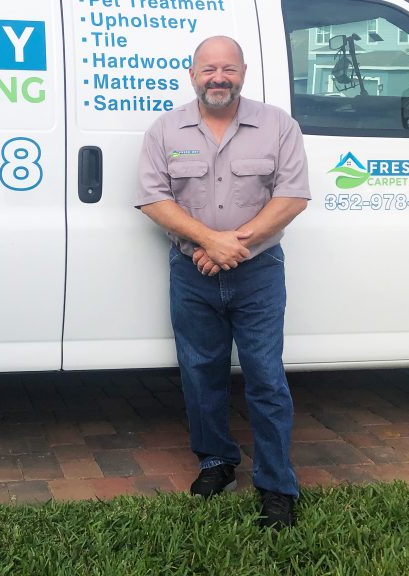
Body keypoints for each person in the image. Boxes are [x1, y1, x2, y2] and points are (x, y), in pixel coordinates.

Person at [134, 35, 310, 530]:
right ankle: (216, 462)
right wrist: (209, 242)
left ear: (243, 73)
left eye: (228, 69)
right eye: (208, 69)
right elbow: (152, 199)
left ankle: (277, 486)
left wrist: (234, 245)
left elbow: (293, 196)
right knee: (200, 374)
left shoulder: (278, 125)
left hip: (258, 273)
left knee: (266, 380)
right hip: (192, 274)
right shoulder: (166, 129)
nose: (218, 77)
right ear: (192, 74)